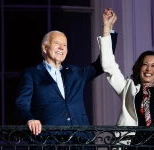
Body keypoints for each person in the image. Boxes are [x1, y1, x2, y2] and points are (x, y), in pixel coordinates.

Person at [15, 8, 117, 142]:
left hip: (81, 140)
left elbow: (102, 64)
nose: (62, 47)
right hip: (50, 140)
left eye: (65, 45)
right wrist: (30, 119)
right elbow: (22, 104)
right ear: (45, 48)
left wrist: (107, 29)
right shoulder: (31, 74)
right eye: (57, 43)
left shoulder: (75, 72)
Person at [98, 9, 154, 149]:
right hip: (132, 146)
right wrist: (107, 29)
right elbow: (109, 66)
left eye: (153, 66)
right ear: (139, 68)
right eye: (145, 64)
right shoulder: (128, 88)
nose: (148, 69)